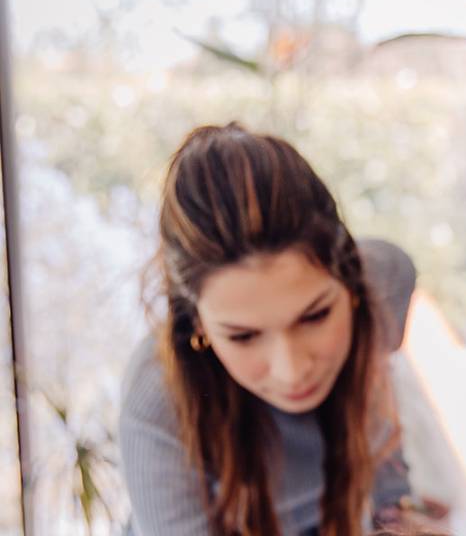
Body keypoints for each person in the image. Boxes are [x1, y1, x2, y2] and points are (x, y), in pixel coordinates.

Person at [119, 123, 417, 535]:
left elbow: (373, 394)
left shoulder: (386, 283)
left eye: (314, 316)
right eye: (243, 336)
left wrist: (396, 511)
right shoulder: (157, 400)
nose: (292, 371)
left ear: (350, 283)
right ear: (199, 326)